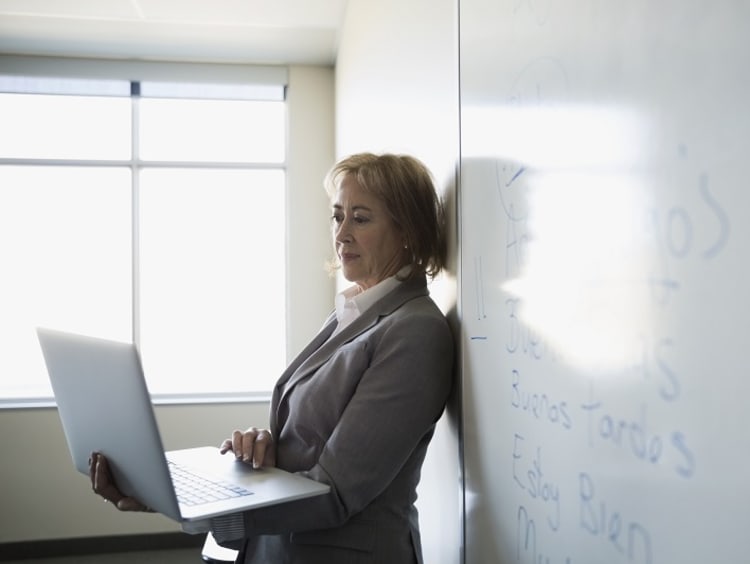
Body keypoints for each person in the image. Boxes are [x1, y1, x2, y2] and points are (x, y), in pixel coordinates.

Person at [90, 152, 455, 564]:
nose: (342, 234)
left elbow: (336, 492)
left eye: (361, 218)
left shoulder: (415, 331)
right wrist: (265, 450)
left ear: (408, 230)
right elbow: (315, 440)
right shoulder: (351, 312)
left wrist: (187, 506)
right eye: (338, 216)